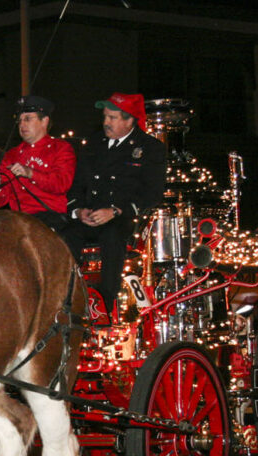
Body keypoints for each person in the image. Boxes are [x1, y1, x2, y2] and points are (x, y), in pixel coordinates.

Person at [62, 92, 166, 306]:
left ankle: (106, 303)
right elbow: (76, 184)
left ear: (130, 120)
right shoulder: (93, 143)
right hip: (89, 215)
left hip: (123, 218)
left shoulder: (149, 148)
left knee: (112, 236)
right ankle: (66, 297)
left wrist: (116, 211)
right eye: (105, 117)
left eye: (112, 118)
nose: (106, 123)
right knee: (65, 235)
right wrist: (79, 210)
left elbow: (152, 193)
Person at [0, 95, 75, 231]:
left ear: (44, 121)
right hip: (17, 219)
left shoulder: (61, 148)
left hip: (49, 218)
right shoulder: (11, 155)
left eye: (27, 119)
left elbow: (61, 183)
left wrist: (31, 173)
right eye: (19, 121)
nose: (22, 125)